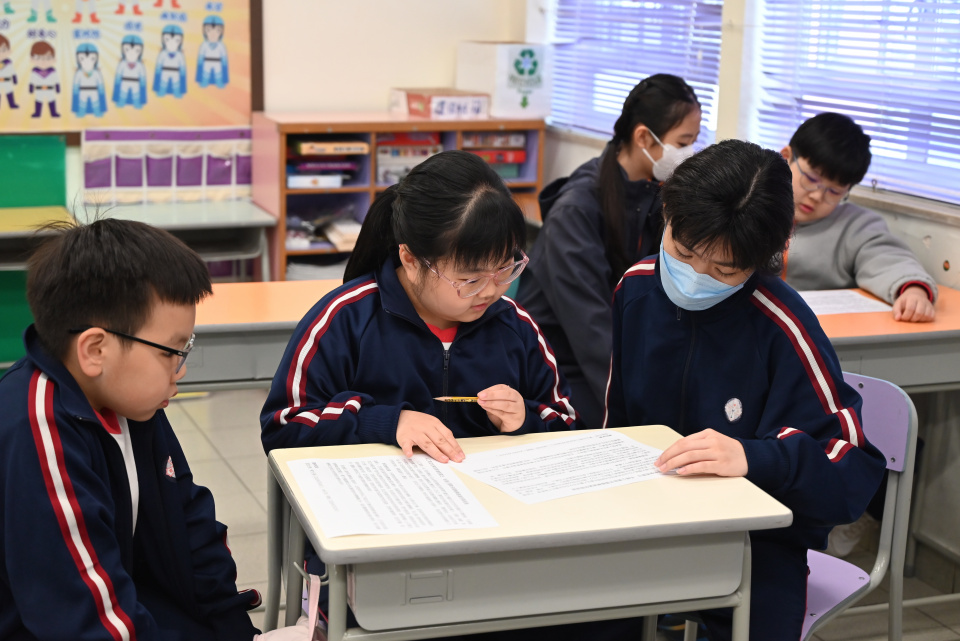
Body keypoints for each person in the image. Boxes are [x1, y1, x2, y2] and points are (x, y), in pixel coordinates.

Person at [605, 139, 887, 641]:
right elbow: (619, 424)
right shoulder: (637, 289)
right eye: (683, 252)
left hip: (755, 543)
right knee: (573, 608)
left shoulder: (783, 324)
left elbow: (852, 470)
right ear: (666, 214)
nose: (695, 277)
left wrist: (754, 458)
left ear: (765, 259)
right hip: (646, 518)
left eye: (724, 270)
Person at [0, 217, 309, 641]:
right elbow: (88, 620)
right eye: (171, 352)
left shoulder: (129, 400)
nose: (180, 370)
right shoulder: (38, 432)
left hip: (124, 599)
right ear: (95, 350)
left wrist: (237, 631)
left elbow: (190, 523)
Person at [261, 149, 576, 462]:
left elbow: (568, 424)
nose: (491, 291)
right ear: (411, 261)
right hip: (380, 488)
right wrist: (386, 422)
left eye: (505, 269)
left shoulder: (514, 325)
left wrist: (524, 420)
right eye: (470, 280)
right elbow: (283, 428)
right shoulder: (346, 319)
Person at [516, 73, 701, 428]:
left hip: (618, 350)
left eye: (694, 141)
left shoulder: (654, 192)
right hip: (561, 361)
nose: (689, 153)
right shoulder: (576, 209)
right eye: (683, 142)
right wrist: (639, 402)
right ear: (643, 137)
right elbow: (590, 328)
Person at [780, 112, 938, 322]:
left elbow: (886, 259)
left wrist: (913, 291)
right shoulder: (749, 203)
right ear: (786, 157)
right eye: (810, 179)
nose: (817, 196)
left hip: (819, 328)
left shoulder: (855, 226)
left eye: (834, 192)